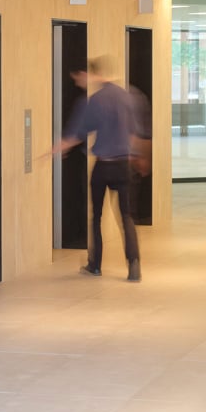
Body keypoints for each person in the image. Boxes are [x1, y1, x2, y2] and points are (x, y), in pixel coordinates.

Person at [55, 56, 142, 282]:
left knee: (96, 217)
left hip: (103, 166)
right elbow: (133, 133)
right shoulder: (126, 97)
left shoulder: (94, 101)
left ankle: (95, 265)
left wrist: (58, 149)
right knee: (126, 216)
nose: (78, 83)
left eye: (78, 78)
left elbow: (77, 134)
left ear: (89, 74)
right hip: (123, 165)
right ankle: (134, 265)